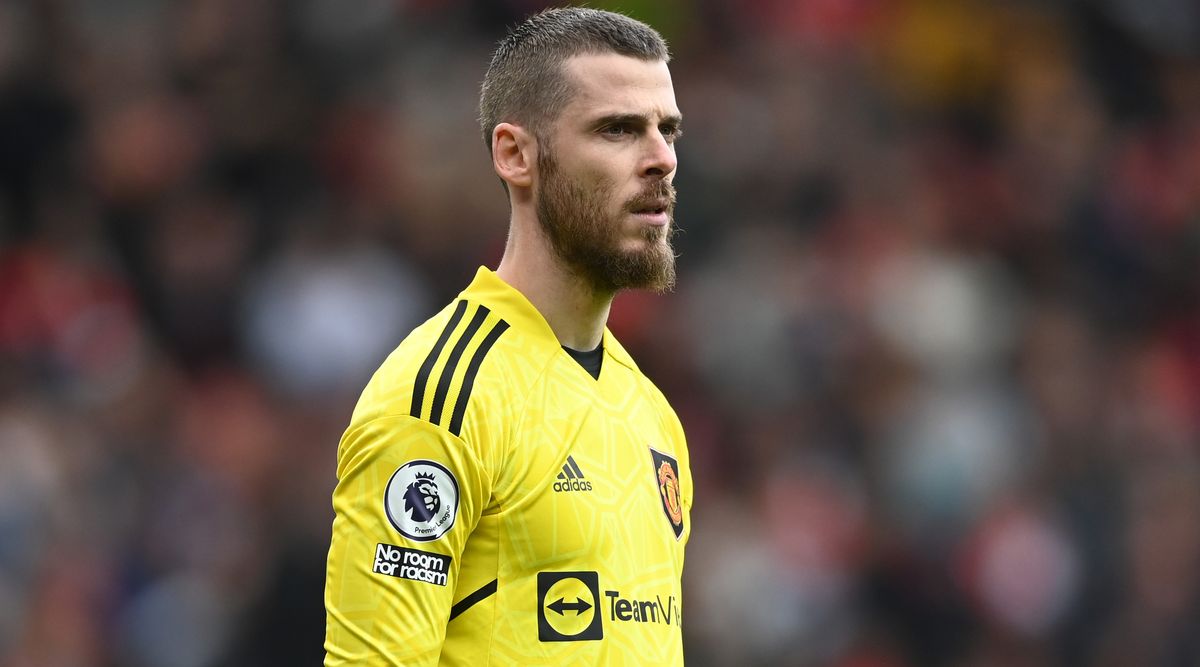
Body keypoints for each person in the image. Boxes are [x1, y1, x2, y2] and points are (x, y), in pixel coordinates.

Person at [324, 7, 691, 665]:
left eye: (668, 131)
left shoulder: (653, 415)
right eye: (618, 130)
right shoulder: (441, 398)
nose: (661, 159)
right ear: (516, 155)